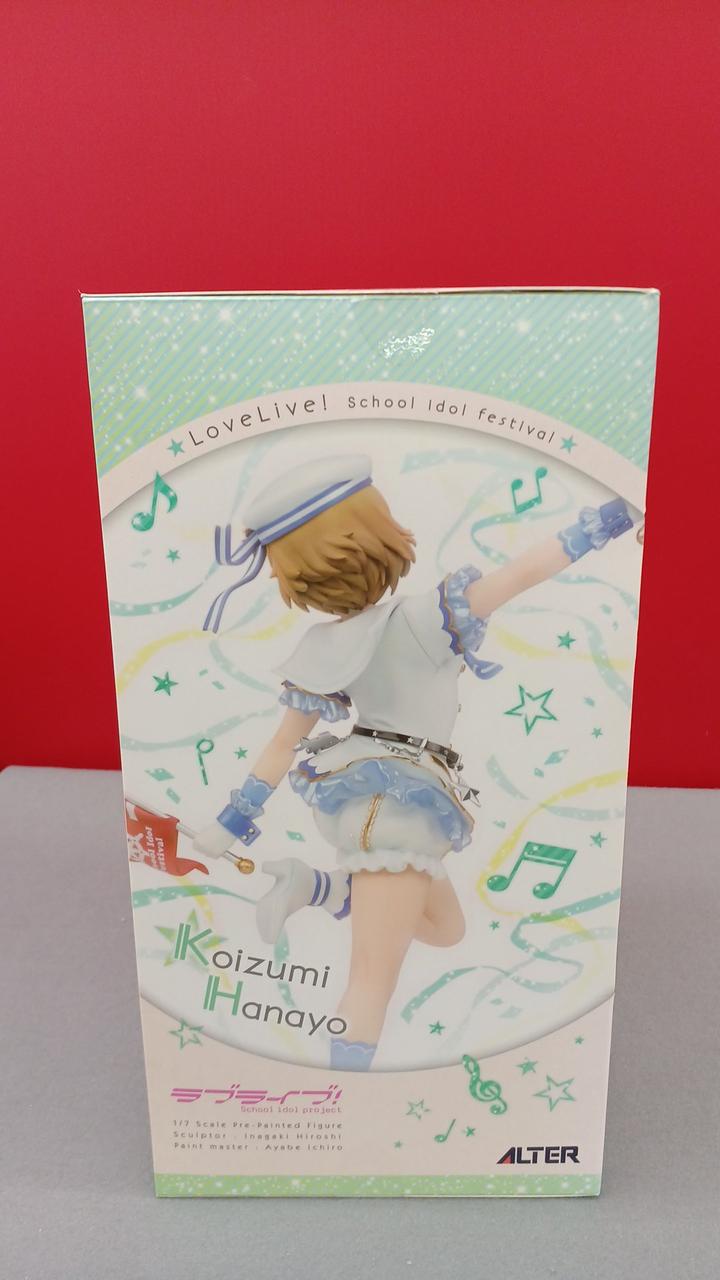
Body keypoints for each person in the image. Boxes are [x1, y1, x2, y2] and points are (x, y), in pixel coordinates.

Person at [193, 453, 633, 1070]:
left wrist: (234, 820)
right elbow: (524, 571)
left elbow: (280, 746)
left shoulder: (324, 646)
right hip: (400, 811)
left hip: (379, 799)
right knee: (371, 983)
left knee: (446, 929)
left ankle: (317, 887)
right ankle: (346, 1099)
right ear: (381, 536)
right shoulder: (432, 614)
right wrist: (612, 518)